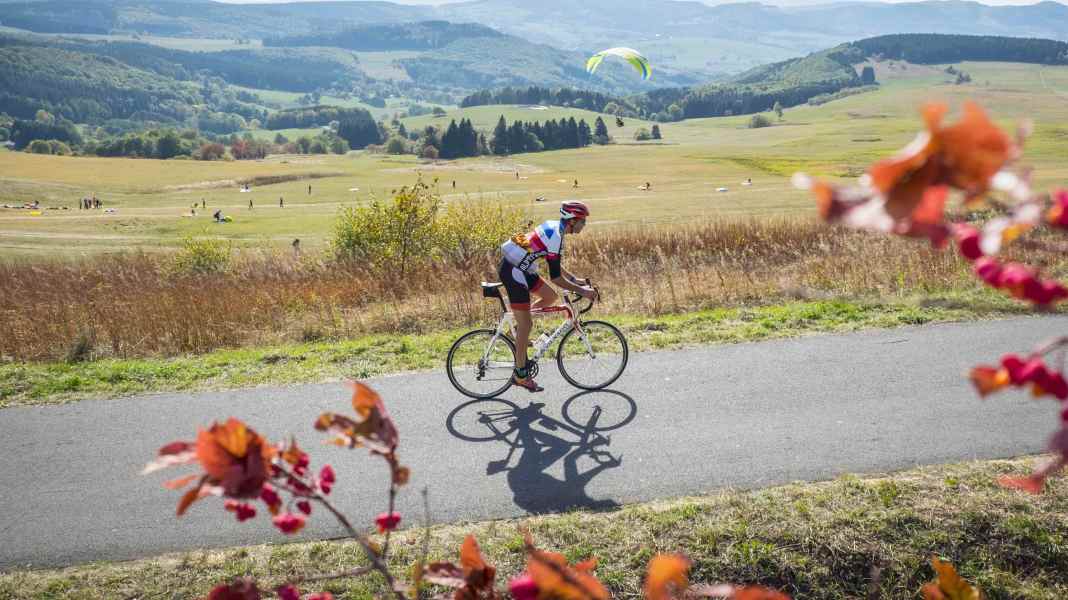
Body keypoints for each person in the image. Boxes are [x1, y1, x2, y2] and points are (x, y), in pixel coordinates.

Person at [498, 201, 596, 392]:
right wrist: (583, 291)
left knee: (549, 296)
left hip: (523, 268)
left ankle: (516, 331)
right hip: (514, 272)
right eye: (582, 221)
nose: (584, 225)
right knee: (527, 325)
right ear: (572, 221)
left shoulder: (554, 227)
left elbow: (553, 262)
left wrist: (575, 280)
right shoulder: (556, 236)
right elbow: (556, 278)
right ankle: (520, 375)